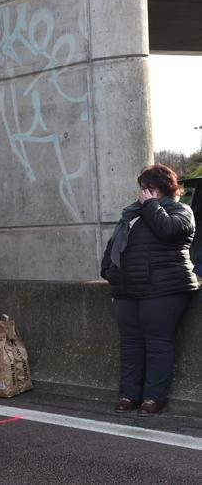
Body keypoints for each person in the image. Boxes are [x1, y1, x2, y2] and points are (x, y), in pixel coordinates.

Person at [101, 164, 198, 416]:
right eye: (142, 188)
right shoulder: (133, 215)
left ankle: (153, 398)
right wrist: (109, 271)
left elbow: (169, 230)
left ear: (164, 188)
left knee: (157, 343)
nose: (143, 193)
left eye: (149, 188)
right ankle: (128, 395)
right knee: (130, 344)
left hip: (165, 288)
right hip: (128, 289)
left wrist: (151, 206)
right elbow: (115, 246)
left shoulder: (181, 210)